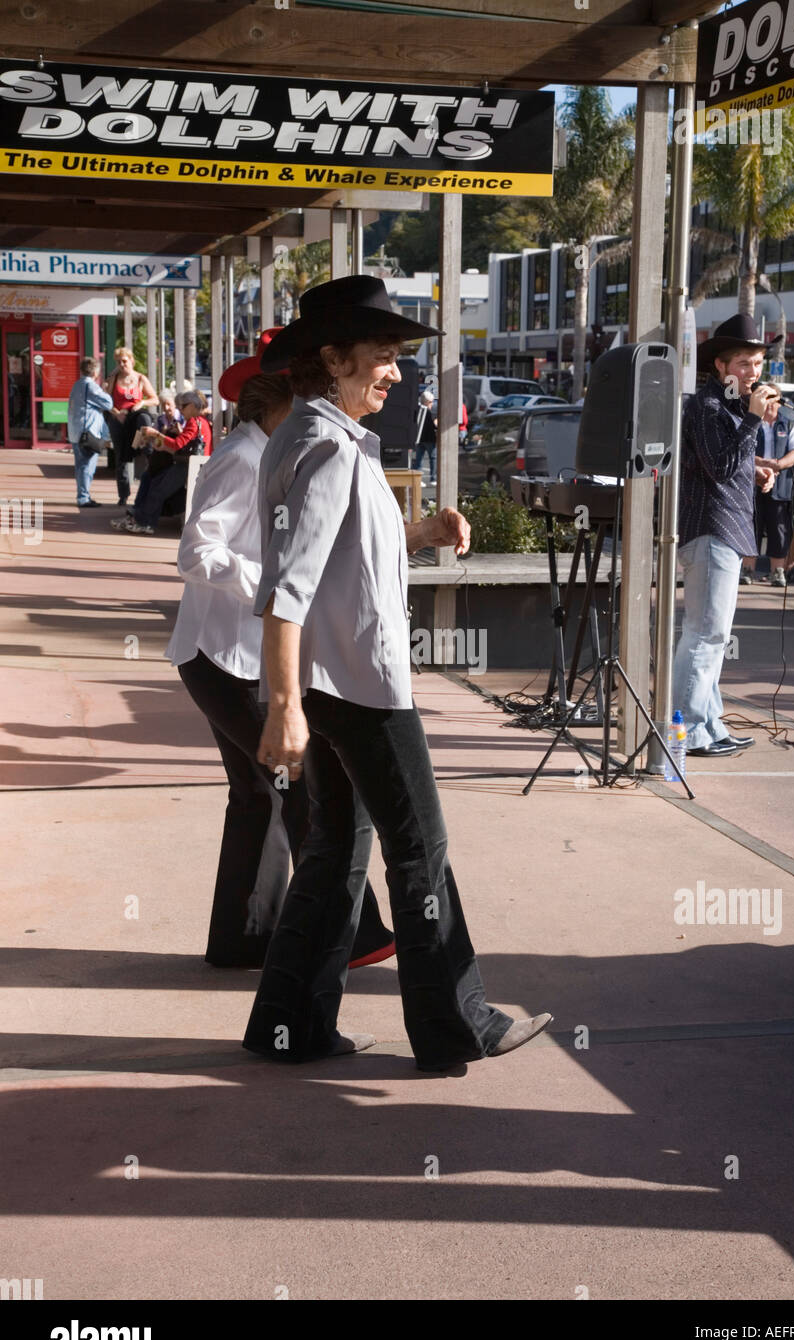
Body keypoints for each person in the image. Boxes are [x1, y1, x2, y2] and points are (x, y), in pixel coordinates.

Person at [243, 274, 552, 1069]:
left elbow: (342, 555)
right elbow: (289, 591)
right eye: (381, 356)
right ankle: (459, 1024)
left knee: (336, 852)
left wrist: (420, 533)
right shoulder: (330, 449)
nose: (394, 371)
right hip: (360, 690)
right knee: (420, 851)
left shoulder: (306, 436)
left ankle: (290, 1025)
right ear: (331, 356)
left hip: (331, 684)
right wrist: (283, 709)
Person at [165, 330, 394, 970]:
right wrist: (269, 590)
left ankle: (240, 940)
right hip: (227, 661)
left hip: (224, 659)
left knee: (259, 796)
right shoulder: (245, 455)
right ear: (282, 398)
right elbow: (195, 553)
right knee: (303, 790)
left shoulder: (272, 452)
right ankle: (358, 933)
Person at [673, 313, 779, 758]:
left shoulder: (729, 407)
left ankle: (710, 723)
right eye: (742, 363)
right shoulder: (709, 405)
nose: (751, 373)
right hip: (712, 530)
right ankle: (688, 730)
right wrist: (754, 422)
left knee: (709, 634)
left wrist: (753, 471)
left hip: (724, 529)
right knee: (706, 634)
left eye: (756, 363)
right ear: (719, 365)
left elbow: (714, 466)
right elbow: (717, 466)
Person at [114, 389, 209, 536]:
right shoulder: (200, 421)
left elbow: (178, 444)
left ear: (192, 406)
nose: (180, 409)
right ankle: (139, 518)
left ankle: (144, 522)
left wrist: (156, 434)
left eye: (183, 406)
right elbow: (183, 443)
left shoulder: (194, 421)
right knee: (155, 483)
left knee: (158, 488)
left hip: (188, 467)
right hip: (191, 465)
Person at [740, 390, 794, 589]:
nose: (768, 404)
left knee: (780, 529)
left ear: (779, 401)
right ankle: (748, 570)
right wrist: (761, 462)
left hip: (780, 483)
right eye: (765, 399)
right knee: (752, 526)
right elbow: (743, 448)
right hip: (752, 482)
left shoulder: (790, 422)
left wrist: (777, 464)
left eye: (772, 400)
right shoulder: (751, 421)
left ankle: (778, 571)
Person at [103, 348, 159, 505]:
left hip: (135, 421)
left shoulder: (141, 379)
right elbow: (106, 402)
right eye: (119, 362)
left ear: (131, 361)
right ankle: (123, 495)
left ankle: (147, 490)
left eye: (124, 361)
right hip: (118, 420)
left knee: (144, 453)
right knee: (121, 458)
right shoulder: (114, 379)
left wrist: (141, 402)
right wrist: (116, 413)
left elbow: (155, 399)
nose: (122, 364)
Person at [67, 357, 112, 508]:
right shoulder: (91, 386)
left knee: (80, 466)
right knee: (87, 466)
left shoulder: (77, 385)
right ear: (95, 372)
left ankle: (82, 495)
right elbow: (108, 403)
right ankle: (83, 498)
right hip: (87, 434)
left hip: (75, 432)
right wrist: (105, 389)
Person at [415, 389, 437, 480]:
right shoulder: (427, 412)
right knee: (433, 458)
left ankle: (418, 479)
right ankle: (433, 478)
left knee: (419, 459)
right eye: (431, 402)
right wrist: (436, 424)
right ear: (428, 402)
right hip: (429, 439)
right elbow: (432, 426)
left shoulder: (417, 409)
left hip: (419, 439)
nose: (432, 404)